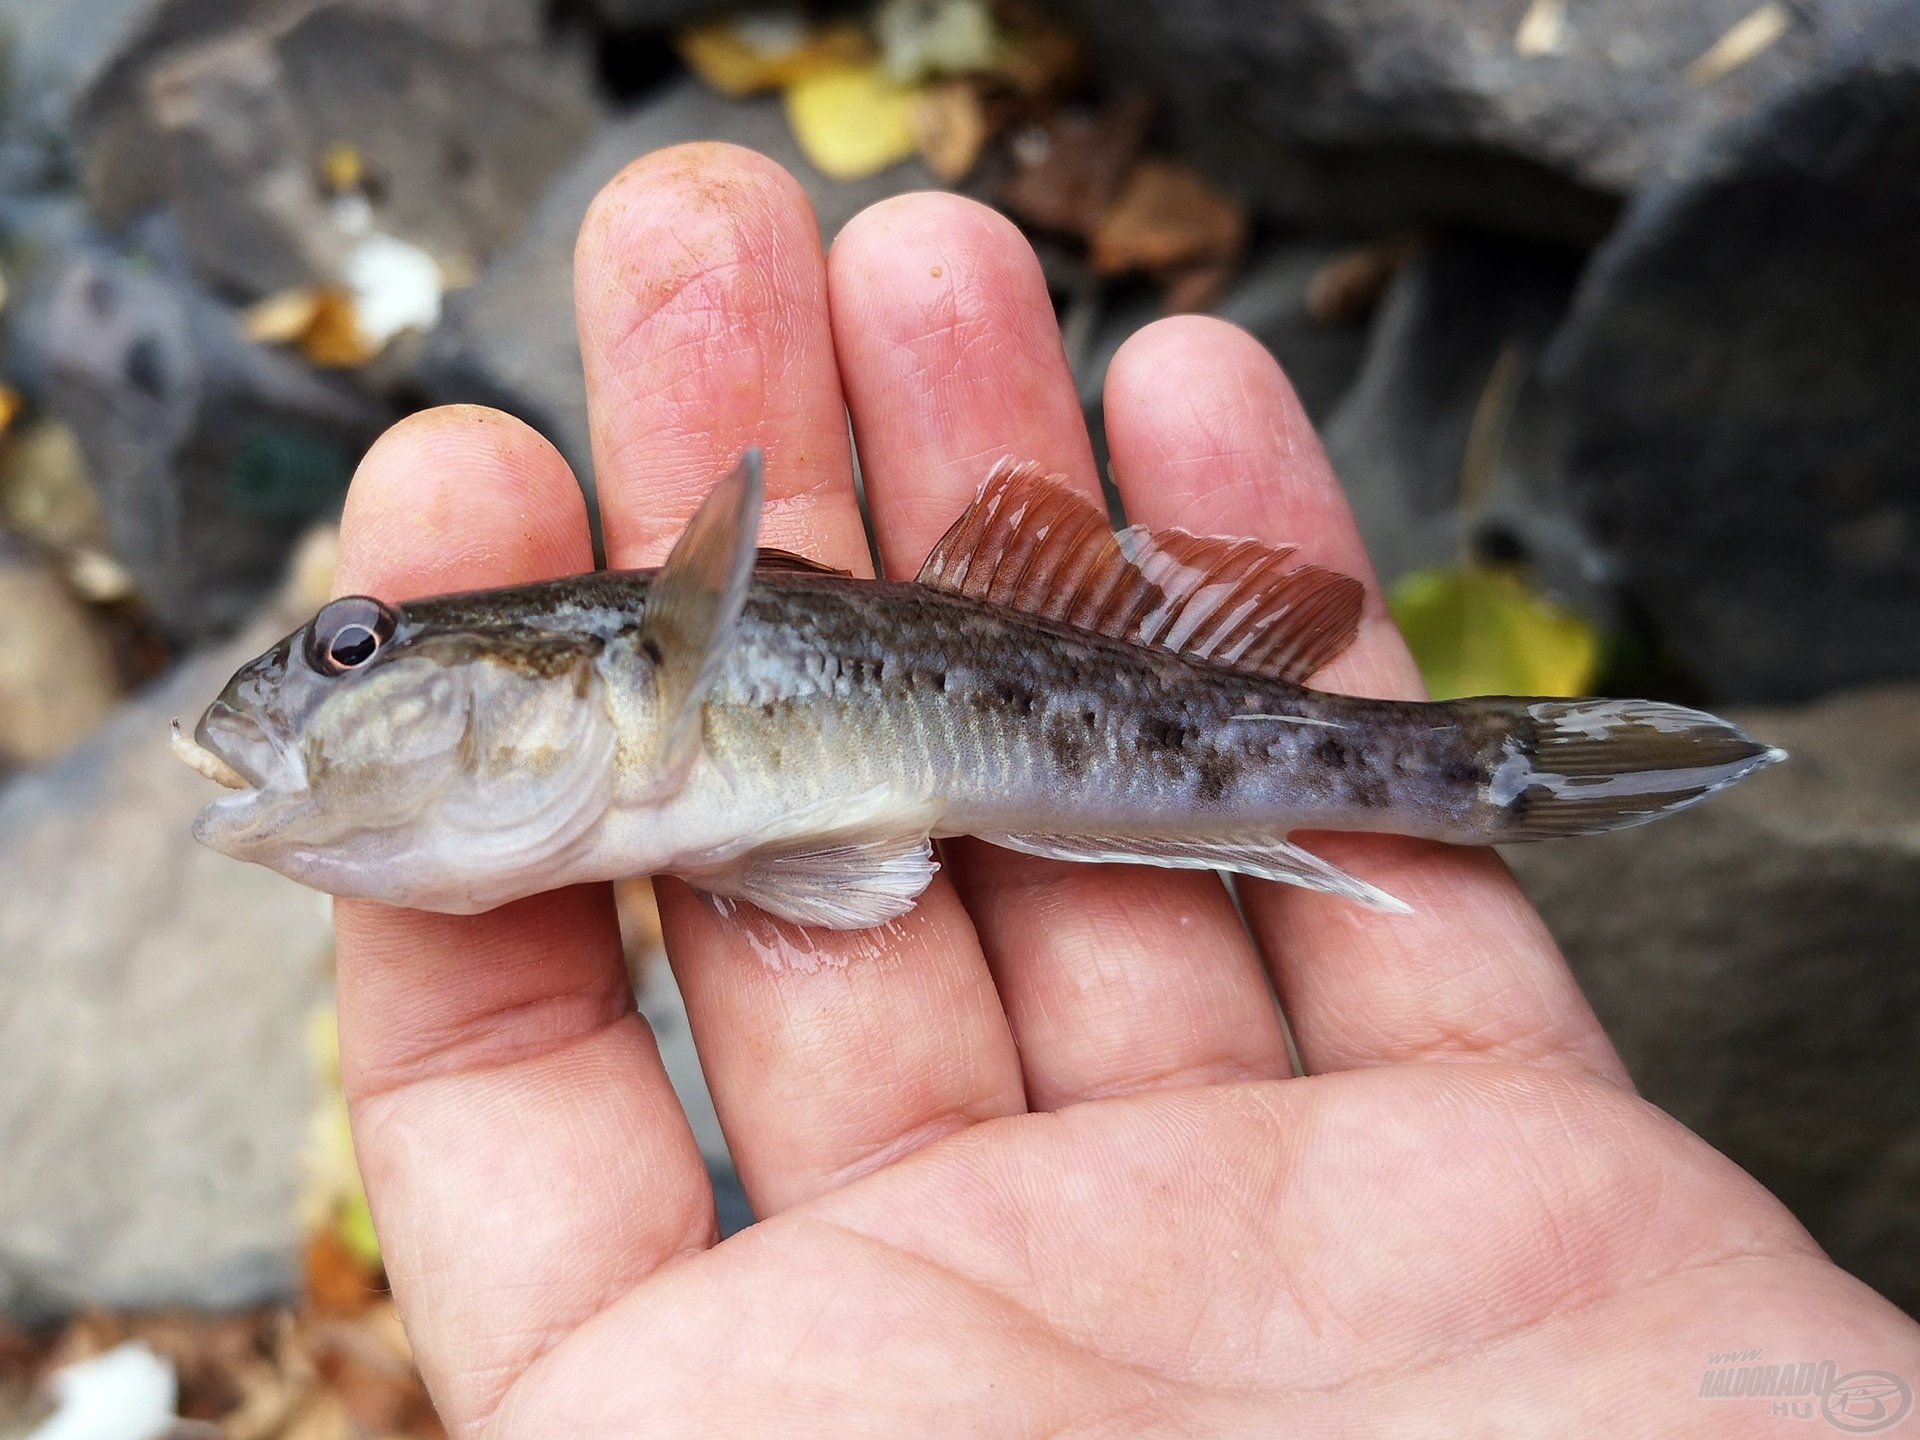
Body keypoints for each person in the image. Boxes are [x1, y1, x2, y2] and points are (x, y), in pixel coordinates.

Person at [328, 145, 1919, 1438]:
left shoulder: (638, 675)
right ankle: (1475, 770)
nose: (329, 685)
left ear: (591, 671)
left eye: (350, 653)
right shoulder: (610, 742)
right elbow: (843, 870)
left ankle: (1474, 769)